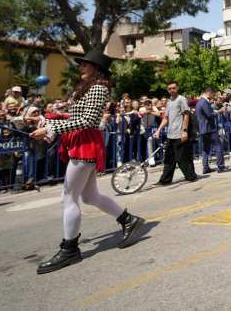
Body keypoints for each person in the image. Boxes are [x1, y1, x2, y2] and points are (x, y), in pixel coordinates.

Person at [29, 50, 145, 274]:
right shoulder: (87, 88)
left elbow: (88, 120)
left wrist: (50, 128)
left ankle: (70, 249)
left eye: (84, 64)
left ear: (96, 69)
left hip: (85, 143)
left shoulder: (99, 88)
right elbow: (75, 118)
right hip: (81, 141)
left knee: (68, 198)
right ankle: (128, 220)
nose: (80, 67)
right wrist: (45, 120)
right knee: (89, 196)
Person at [156, 81, 198, 184]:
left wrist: (184, 131)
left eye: (173, 88)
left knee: (183, 158)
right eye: (170, 88)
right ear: (167, 90)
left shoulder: (181, 99)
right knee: (169, 159)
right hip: (171, 135)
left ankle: (191, 176)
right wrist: (158, 130)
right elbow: (166, 118)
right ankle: (165, 180)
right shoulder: (169, 102)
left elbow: (186, 115)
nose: (172, 90)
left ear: (177, 88)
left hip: (180, 134)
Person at [196, 88, 231, 174]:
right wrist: (220, 111)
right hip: (209, 129)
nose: (213, 96)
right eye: (212, 94)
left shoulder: (199, 102)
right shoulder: (204, 102)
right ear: (209, 93)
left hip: (203, 129)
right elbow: (210, 115)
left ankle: (205, 168)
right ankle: (221, 167)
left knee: (205, 149)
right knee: (218, 146)